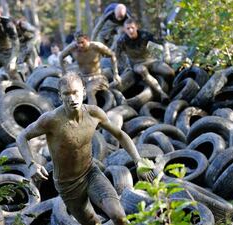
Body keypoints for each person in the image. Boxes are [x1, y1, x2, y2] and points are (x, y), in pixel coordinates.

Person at [16, 72, 155, 225]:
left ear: (83, 91)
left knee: (119, 216)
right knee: (93, 223)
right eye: (66, 94)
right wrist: (31, 164)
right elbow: (22, 137)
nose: (72, 98)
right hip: (67, 185)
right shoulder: (51, 120)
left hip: (90, 173)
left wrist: (138, 161)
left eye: (75, 92)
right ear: (60, 96)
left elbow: (120, 135)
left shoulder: (94, 113)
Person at [115, 18, 174, 103]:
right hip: (137, 64)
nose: (131, 30)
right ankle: (162, 94)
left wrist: (166, 54)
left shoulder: (145, 35)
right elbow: (116, 56)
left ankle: (171, 89)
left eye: (132, 27)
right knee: (142, 71)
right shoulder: (121, 41)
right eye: (128, 28)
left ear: (136, 27)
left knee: (170, 72)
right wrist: (124, 67)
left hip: (151, 61)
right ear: (124, 30)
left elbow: (163, 42)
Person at [59, 31, 121, 106]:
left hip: (98, 77)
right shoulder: (73, 48)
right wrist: (64, 73)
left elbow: (112, 55)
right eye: (77, 43)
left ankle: (91, 113)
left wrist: (116, 73)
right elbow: (61, 56)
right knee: (71, 90)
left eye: (82, 42)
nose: (80, 45)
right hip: (83, 78)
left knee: (89, 91)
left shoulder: (96, 46)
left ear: (87, 39)